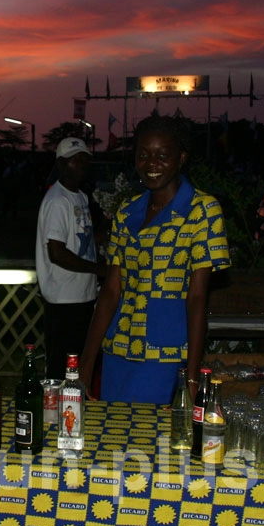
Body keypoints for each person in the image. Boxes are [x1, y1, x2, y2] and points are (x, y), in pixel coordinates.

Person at [80, 115, 231, 403]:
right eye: (144, 155)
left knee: (151, 442)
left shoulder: (202, 210)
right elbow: (112, 290)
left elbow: (198, 296)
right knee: (113, 436)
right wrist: (87, 363)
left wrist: (192, 373)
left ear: (181, 159)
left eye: (163, 156)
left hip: (165, 354)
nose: (152, 164)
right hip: (118, 347)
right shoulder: (126, 212)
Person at [35, 137, 105, 379]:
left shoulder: (81, 197)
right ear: (61, 164)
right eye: (75, 160)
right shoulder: (57, 200)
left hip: (82, 295)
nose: (82, 165)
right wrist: (98, 269)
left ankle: (76, 410)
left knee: (81, 365)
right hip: (64, 299)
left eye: (84, 159)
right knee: (62, 368)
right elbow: (56, 252)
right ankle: (54, 413)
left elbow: (80, 241)